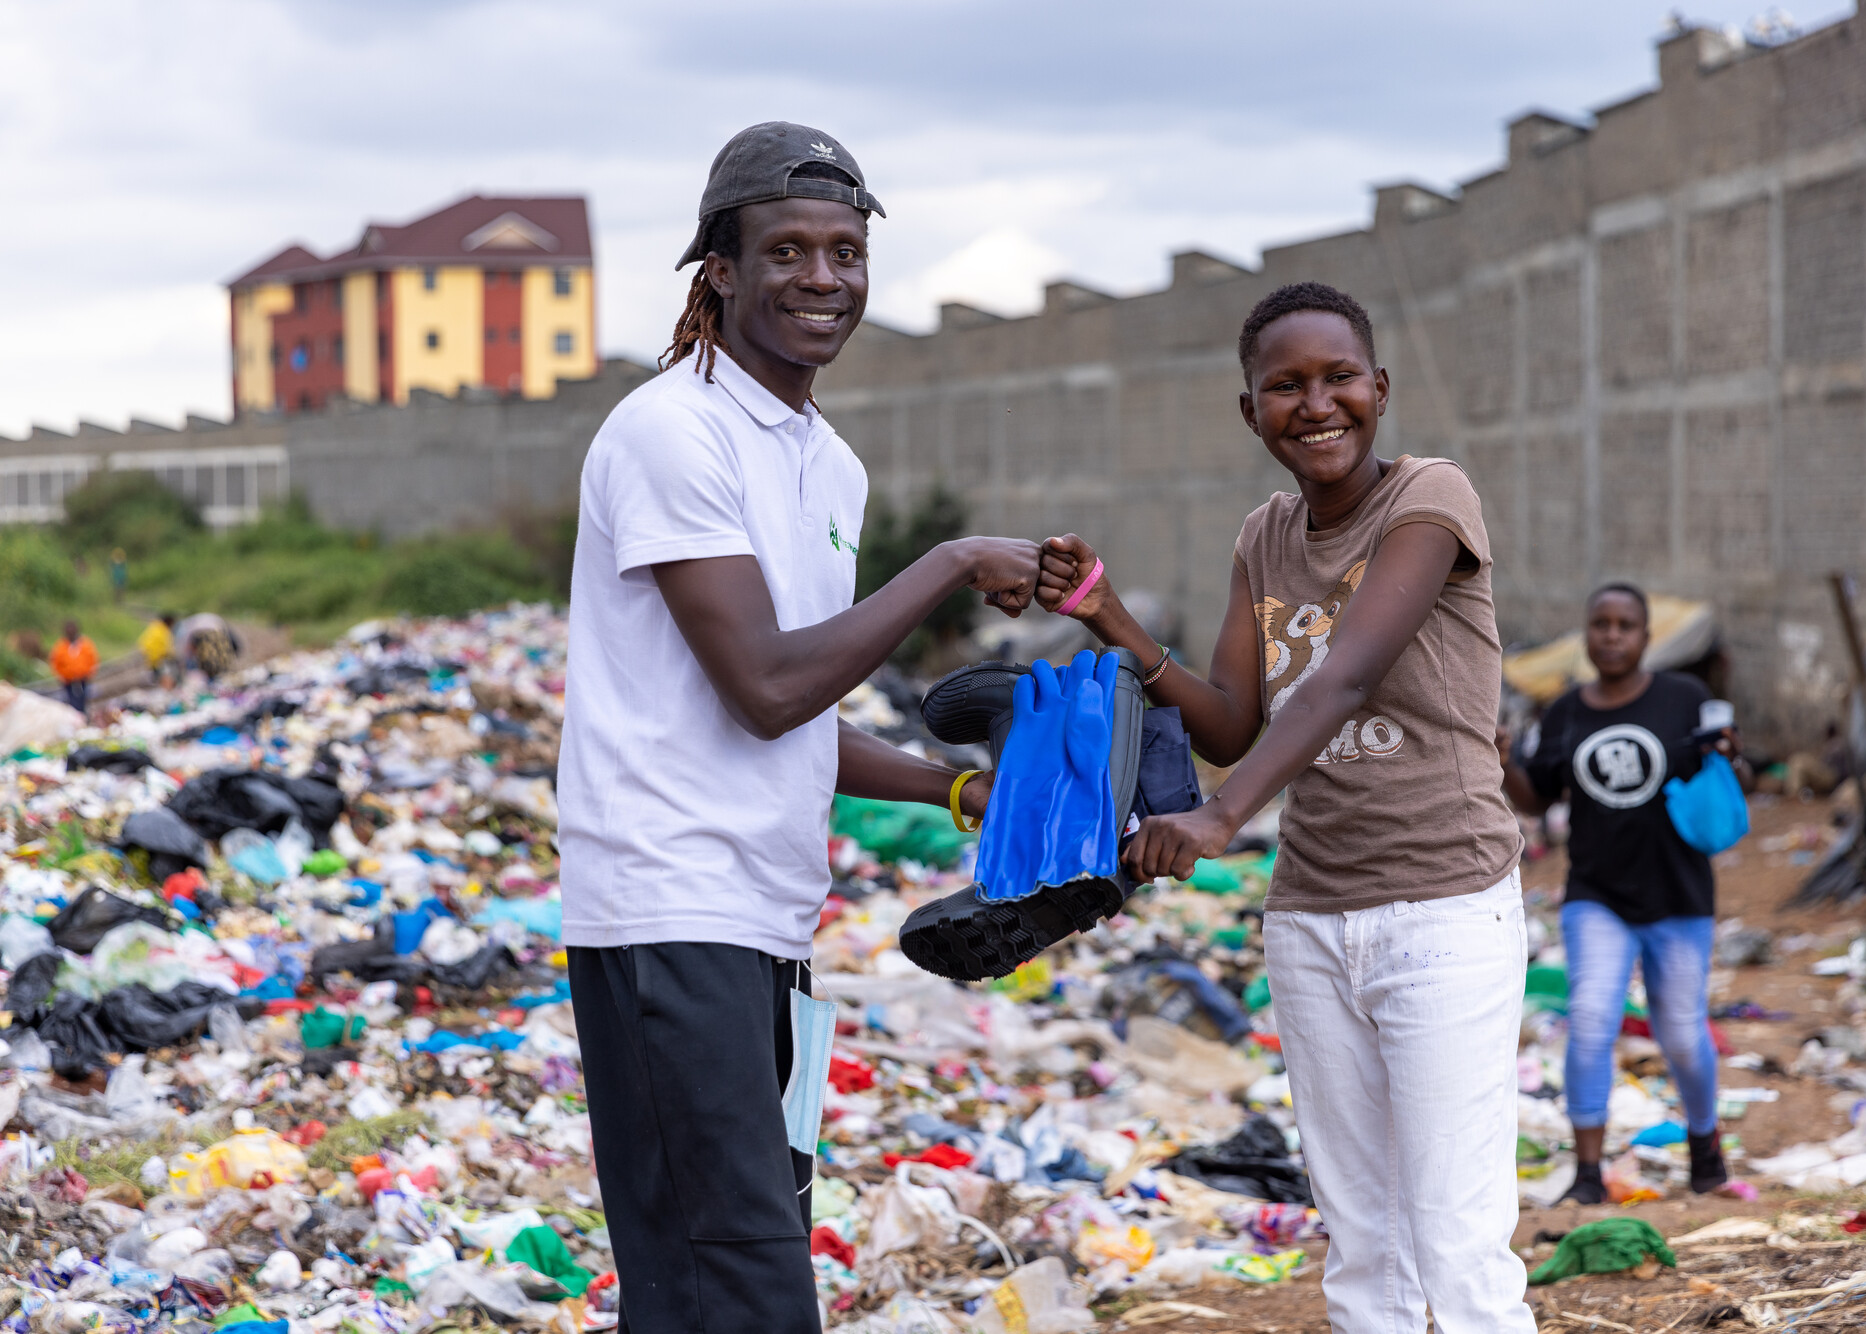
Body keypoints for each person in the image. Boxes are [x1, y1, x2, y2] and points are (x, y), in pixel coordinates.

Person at [557, 122, 1042, 1333]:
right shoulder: (673, 433)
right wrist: (950, 563)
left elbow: (799, 715)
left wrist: (958, 791)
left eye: (845, 251)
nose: (823, 278)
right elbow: (765, 686)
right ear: (716, 269)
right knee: (747, 1280)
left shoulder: (830, 465)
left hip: (762, 922)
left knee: (703, 1278)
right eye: (787, 250)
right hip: (668, 909)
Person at [1041, 282, 1535, 1334]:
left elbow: (1341, 677)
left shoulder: (1428, 499)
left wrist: (1218, 819)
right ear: (1249, 410)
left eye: (1338, 378)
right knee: (1362, 1244)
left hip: (1444, 909)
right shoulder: (1262, 536)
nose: (1316, 404)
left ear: (1379, 389)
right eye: (1284, 385)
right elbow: (1228, 719)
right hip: (1310, 918)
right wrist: (1106, 614)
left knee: (1454, 1240)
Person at [1497, 583, 1751, 1203]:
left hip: (1679, 892)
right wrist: (1502, 764)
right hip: (1596, 893)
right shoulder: (1565, 713)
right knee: (1588, 1021)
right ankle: (1588, 1175)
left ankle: (1704, 1150)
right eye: (1601, 624)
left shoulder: (1684, 699)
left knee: (1683, 1034)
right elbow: (1539, 798)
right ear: (1587, 634)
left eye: (1625, 625)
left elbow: (1730, 777)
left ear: (1645, 636)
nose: (1612, 635)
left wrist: (1731, 758)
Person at [49, 619, 98, 714]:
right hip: (68, 680)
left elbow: (93, 659)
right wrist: (61, 675)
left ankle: (83, 716)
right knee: (70, 700)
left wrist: (90, 673)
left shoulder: (85, 644)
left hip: (83, 678)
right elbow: (55, 662)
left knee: (83, 699)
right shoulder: (60, 646)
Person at [138, 612, 177, 686]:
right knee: (161, 674)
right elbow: (166, 646)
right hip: (156, 657)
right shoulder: (162, 630)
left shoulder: (156, 627)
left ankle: (157, 685)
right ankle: (161, 686)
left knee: (156, 674)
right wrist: (172, 655)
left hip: (152, 656)